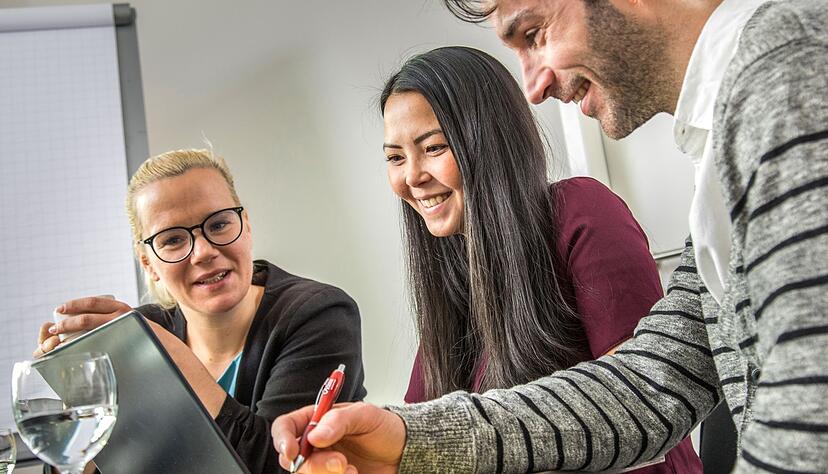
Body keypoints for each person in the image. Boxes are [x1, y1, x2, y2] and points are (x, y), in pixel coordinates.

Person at [272, 0, 828, 472]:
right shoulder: (726, 159)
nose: (534, 87)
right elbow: (649, 387)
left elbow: (811, 415)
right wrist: (407, 439)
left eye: (535, 33)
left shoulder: (791, 77)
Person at [386, 46, 699, 472]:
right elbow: (421, 425)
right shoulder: (453, 274)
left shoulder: (581, 211)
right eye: (395, 157)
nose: (411, 176)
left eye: (434, 147)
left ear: (490, 140)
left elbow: (641, 399)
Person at [36, 149, 367, 473]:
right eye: (173, 240)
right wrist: (86, 417)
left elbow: (281, 466)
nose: (203, 252)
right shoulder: (142, 334)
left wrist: (169, 361)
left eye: (219, 224)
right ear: (148, 263)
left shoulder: (320, 315)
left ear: (246, 225)